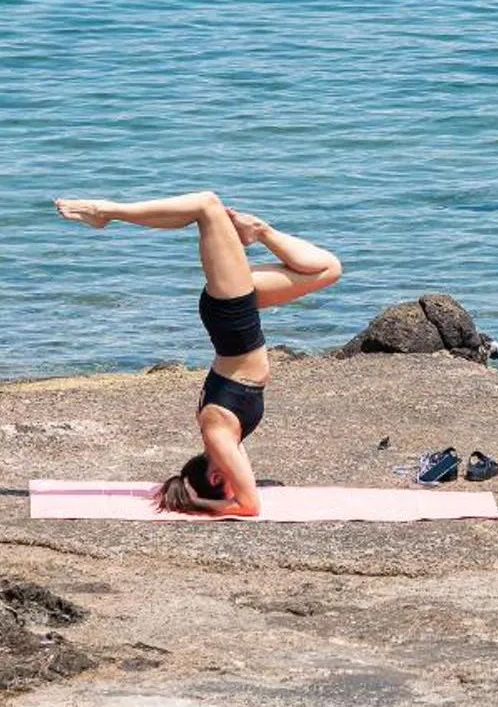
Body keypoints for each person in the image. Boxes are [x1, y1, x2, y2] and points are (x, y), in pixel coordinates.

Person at [50, 191, 341, 516]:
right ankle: (260, 231)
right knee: (328, 269)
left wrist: (196, 502)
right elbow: (244, 495)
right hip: (236, 320)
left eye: (228, 482)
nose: (241, 480)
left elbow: (248, 506)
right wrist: (192, 493)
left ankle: (106, 212)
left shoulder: (217, 437)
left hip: (233, 319)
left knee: (207, 205)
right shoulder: (222, 441)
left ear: (216, 476)